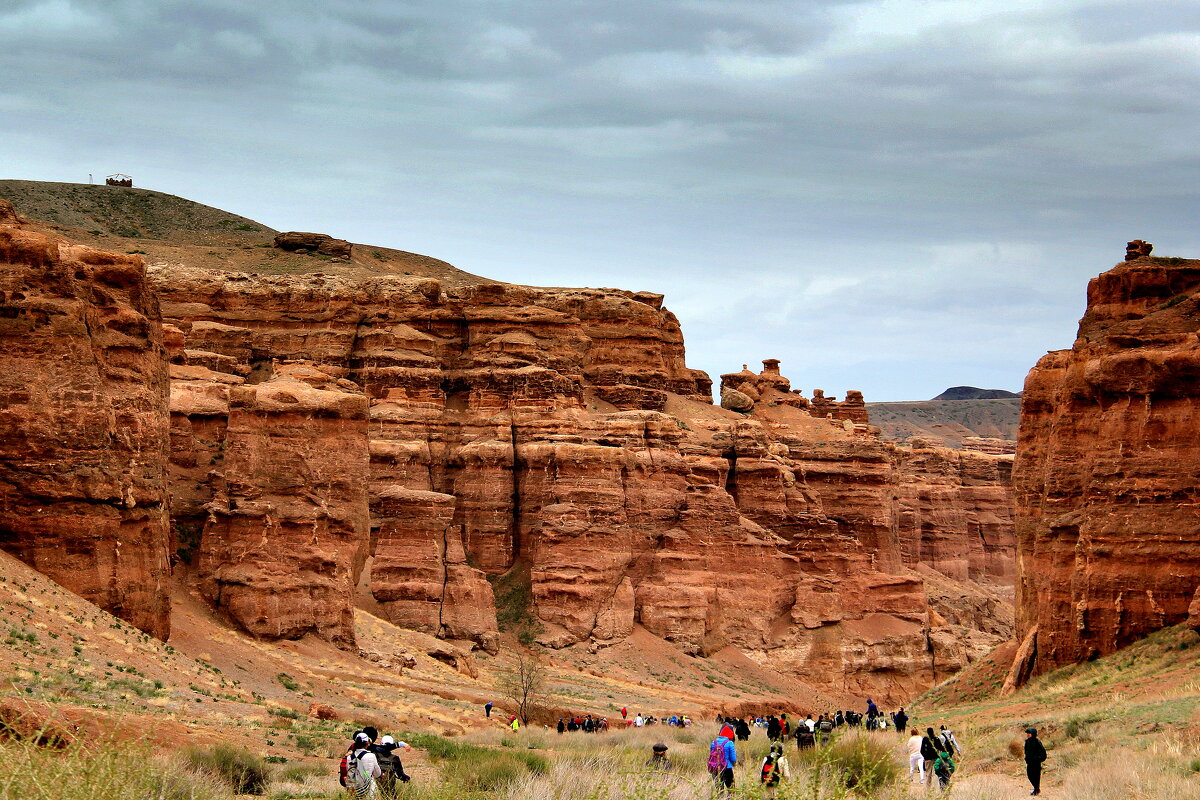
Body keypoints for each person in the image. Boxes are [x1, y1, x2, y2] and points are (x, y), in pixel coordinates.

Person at [345, 732, 382, 799]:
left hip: (353, 790)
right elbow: (377, 774)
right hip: (368, 790)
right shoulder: (371, 756)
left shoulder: (349, 757)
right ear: (367, 743)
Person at [708, 725, 738, 793]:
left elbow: (711, 756)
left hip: (715, 768)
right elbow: (733, 759)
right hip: (727, 768)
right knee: (731, 790)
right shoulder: (730, 743)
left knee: (719, 791)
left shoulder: (713, 742)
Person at [1024, 727, 1047, 796]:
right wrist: (1026, 758)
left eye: (1029, 733)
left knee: (1036, 776)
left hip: (1036, 763)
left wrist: (1037, 759)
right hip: (1029, 762)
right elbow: (1026, 751)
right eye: (1027, 733)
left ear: (1033, 734)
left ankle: (1036, 789)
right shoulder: (1027, 742)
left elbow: (1043, 753)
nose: (1028, 735)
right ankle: (1036, 789)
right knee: (1030, 775)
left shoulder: (1037, 742)